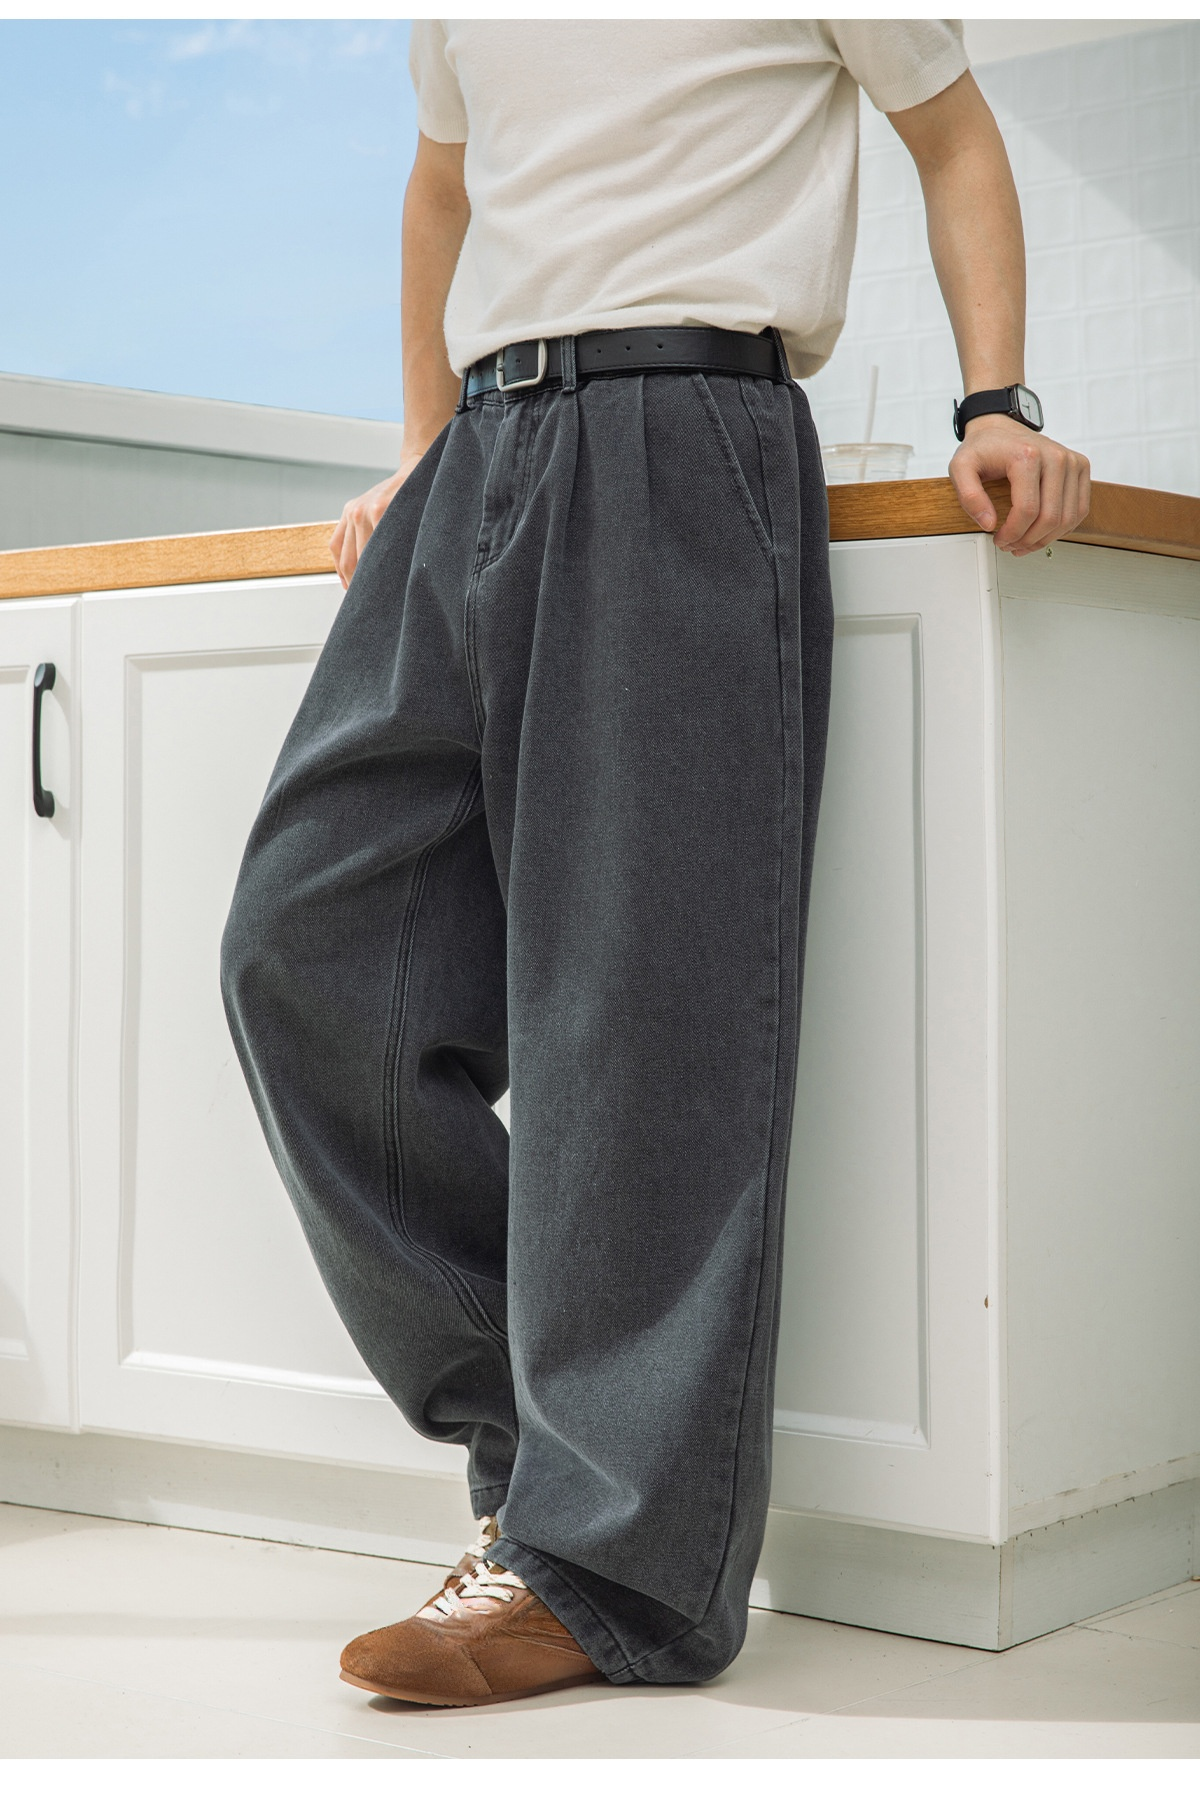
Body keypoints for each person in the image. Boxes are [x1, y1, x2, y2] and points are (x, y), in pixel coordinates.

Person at [220, 19, 1090, 1709]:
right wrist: (420, 446)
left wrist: (996, 401)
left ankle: (606, 1570)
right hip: (482, 452)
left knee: (635, 1008)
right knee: (301, 949)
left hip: (682, 426)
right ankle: (555, 1452)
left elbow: (955, 136)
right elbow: (441, 195)